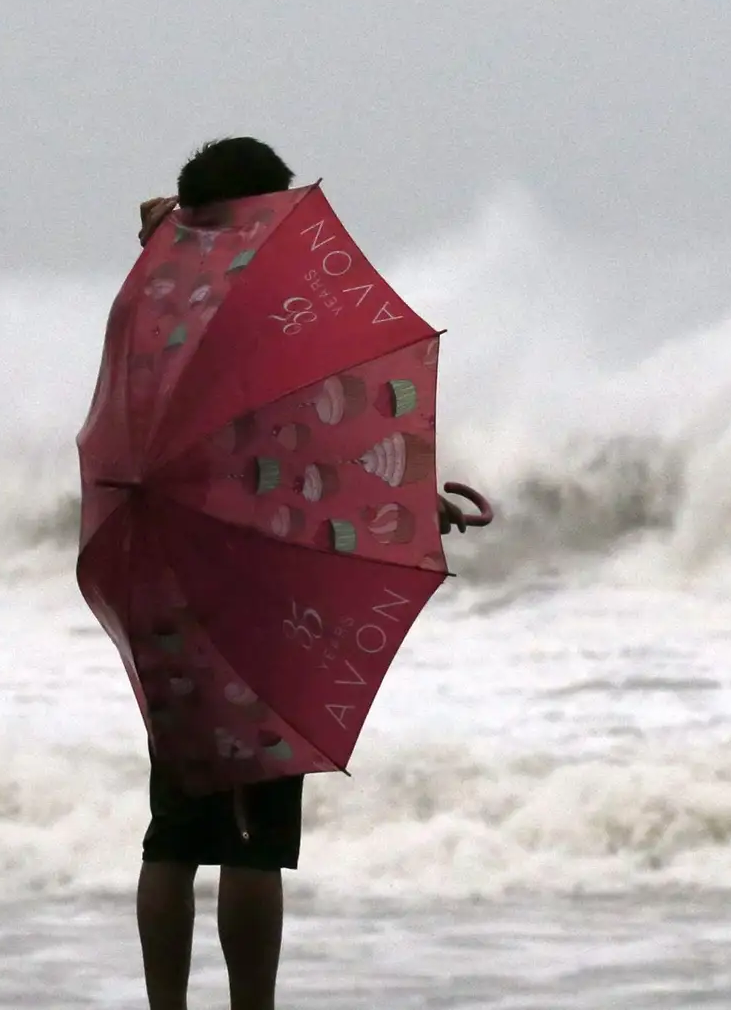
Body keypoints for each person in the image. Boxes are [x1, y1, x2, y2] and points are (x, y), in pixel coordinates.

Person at [130, 137, 475, 1010]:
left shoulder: (159, 299)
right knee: (253, 839)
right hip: (251, 592)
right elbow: (311, 447)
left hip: (162, 571)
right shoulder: (262, 310)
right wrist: (404, 498)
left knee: (171, 831)